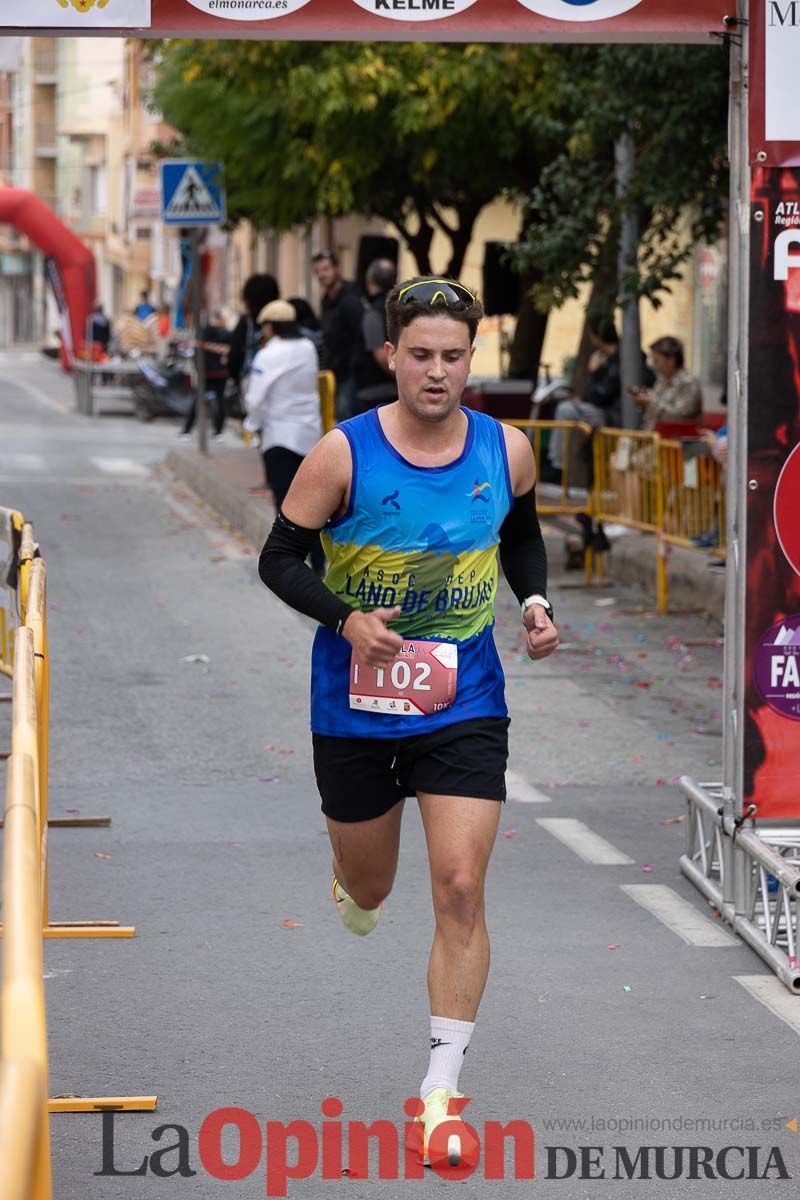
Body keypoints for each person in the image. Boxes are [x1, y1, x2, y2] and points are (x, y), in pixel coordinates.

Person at [258, 276, 558, 1169]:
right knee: (375, 886)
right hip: (355, 700)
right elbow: (279, 558)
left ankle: (440, 1095)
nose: (437, 372)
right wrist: (346, 617)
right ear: (391, 355)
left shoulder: (507, 450)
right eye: (420, 355)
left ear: (474, 357)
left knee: (460, 886)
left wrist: (534, 599)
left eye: (453, 356)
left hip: (463, 695)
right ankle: (354, 884)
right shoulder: (342, 456)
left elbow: (520, 533)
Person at [245, 299, 325, 571]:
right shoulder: (308, 348)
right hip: (309, 436)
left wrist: (252, 424)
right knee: (313, 502)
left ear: (270, 326)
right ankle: (318, 562)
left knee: (285, 503)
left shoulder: (267, 354)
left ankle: (289, 563)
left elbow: (255, 399)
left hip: (278, 436)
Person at [312, 250, 363, 422]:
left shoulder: (351, 298)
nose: (322, 275)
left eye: (325, 269)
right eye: (318, 271)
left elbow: (360, 333)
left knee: (348, 420)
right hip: (335, 372)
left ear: (337, 269)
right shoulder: (326, 300)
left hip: (351, 373)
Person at [227, 274, 280, 411]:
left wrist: (234, 376)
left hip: (252, 378)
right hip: (279, 379)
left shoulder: (247, 321)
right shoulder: (281, 321)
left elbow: (234, 355)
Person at [351, 257, 398, 413]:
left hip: (374, 393)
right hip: (393, 391)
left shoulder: (373, 313)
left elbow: (380, 355)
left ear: (369, 280)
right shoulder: (400, 310)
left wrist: (403, 377)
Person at [632, 336, 703, 431]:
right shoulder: (661, 380)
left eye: (656, 360)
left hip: (677, 440)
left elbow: (681, 417)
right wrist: (644, 402)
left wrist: (652, 401)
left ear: (671, 360)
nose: (653, 364)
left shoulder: (688, 382)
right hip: (654, 437)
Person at [180, 310, 231, 439]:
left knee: (197, 401)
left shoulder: (204, 332)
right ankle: (218, 432)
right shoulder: (227, 334)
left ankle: (186, 431)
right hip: (221, 373)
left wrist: (198, 370)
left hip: (206, 373)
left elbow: (197, 352)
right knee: (219, 402)